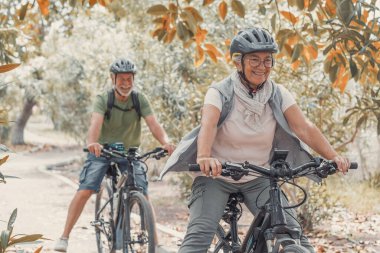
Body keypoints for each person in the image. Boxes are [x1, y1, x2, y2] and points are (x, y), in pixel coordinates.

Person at [159, 27, 350, 253]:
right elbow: (208, 124)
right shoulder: (220, 92)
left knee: (294, 235)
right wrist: (204, 156)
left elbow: (304, 128)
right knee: (198, 237)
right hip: (216, 175)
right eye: (255, 60)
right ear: (238, 63)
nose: (262, 66)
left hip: (259, 176)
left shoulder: (277, 93)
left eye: (267, 60)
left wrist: (333, 156)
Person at [54, 58, 175, 252]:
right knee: (86, 190)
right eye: (121, 79)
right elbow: (95, 123)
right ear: (113, 79)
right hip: (102, 150)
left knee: (143, 193)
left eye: (129, 79)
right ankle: (64, 237)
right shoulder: (104, 99)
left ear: (133, 79)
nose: (126, 83)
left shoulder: (139, 99)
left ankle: (157, 243)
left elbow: (154, 124)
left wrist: (166, 142)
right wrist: (93, 143)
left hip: (129, 153)